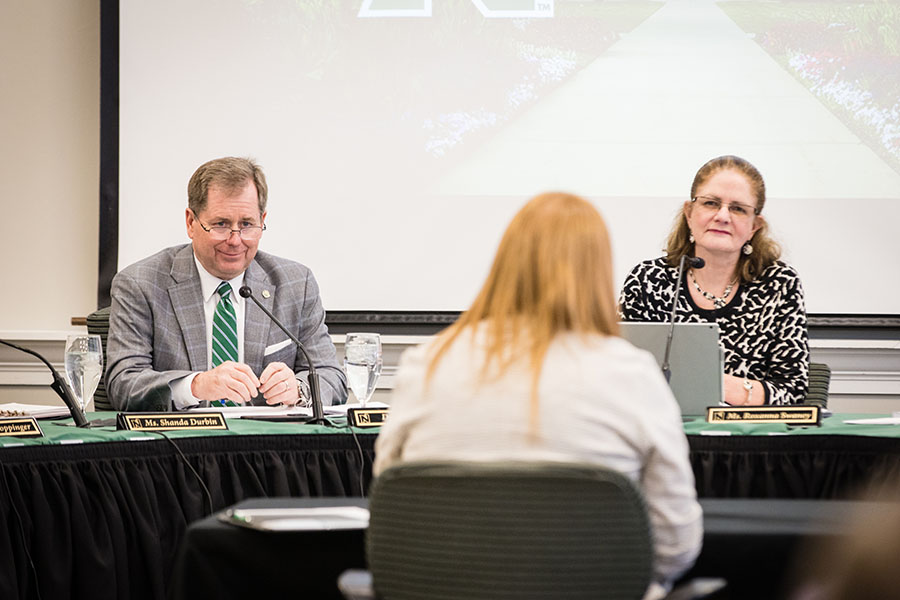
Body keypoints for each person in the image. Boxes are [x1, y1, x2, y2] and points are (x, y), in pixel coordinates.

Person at [374, 192, 702, 598]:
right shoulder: (633, 374)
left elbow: (391, 503)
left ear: (506, 262)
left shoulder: (428, 364)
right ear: (598, 272)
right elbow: (675, 545)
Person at [107, 157, 347, 411]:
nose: (235, 240)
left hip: (268, 446)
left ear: (262, 219)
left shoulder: (297, 284)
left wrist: (298, 390)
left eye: (246, 224)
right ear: (191, 222)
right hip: (180, 444)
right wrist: (195, 386)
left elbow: (332, 377)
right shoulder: (140, 284)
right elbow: (123, 383)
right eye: (221, 224)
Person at [619, 155, 809, 406]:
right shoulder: (647, 280)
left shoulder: (780, 283)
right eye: (710, 203)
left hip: (749, 438)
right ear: (689, 213)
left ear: (754, 226)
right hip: (663, 435)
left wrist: (713, 385)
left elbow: (793, 391)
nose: (722, 216)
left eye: (738, 208)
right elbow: (620, 379)